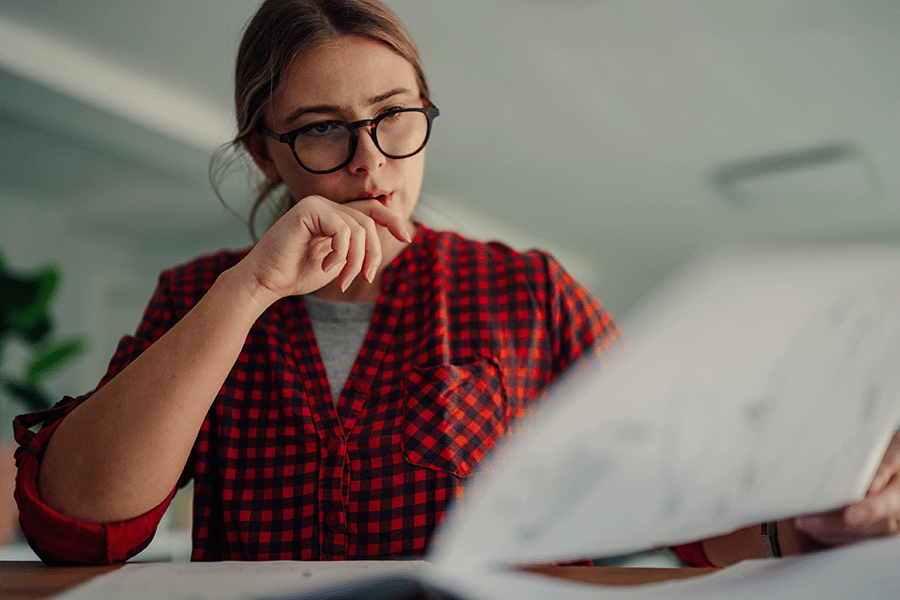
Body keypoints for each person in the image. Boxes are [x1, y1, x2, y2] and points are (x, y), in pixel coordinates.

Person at [12, 0, 900, 568]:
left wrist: (807, 524)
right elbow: (77, 527)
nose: (370, 163)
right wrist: (248, 292)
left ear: (425, 117)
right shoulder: (197, 296)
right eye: (323, 131)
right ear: (264, 152)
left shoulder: (528, 291)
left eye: (395, 118)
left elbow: (693, 511)